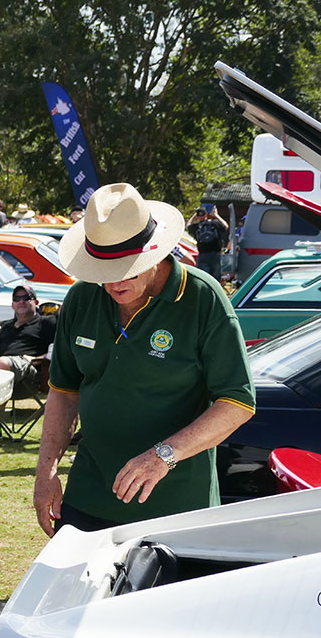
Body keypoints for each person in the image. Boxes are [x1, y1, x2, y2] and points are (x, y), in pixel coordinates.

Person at [33, 183, 254, 537]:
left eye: (126, 269)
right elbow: (63, 392)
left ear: (153, 254)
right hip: (88, 496)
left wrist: (163, 456)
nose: (113, 284)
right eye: (103, 271)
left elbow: (237, 403)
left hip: (178, 506)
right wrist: (46, 471)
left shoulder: (203, 299)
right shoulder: (81, 297)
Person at [0, 284, 55, 394]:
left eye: (26, 298)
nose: (21, 301)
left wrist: (37, 358)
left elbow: (59, 349)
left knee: (2, 363)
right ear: (12, 305)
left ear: (36, 303)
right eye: (17, 299)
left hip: (28, 371)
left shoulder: (46, 323)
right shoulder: (2, 326)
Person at [187, 204, 229, 281]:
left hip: (202, 255)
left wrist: (194, 216)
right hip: (215, 254)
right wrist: (216, 215)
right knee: (215, 278)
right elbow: (226, 226)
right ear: (206, 215)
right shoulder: (214, 223)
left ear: (198, 217)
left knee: (203, 278)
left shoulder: (196, 226)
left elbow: (188, 225)